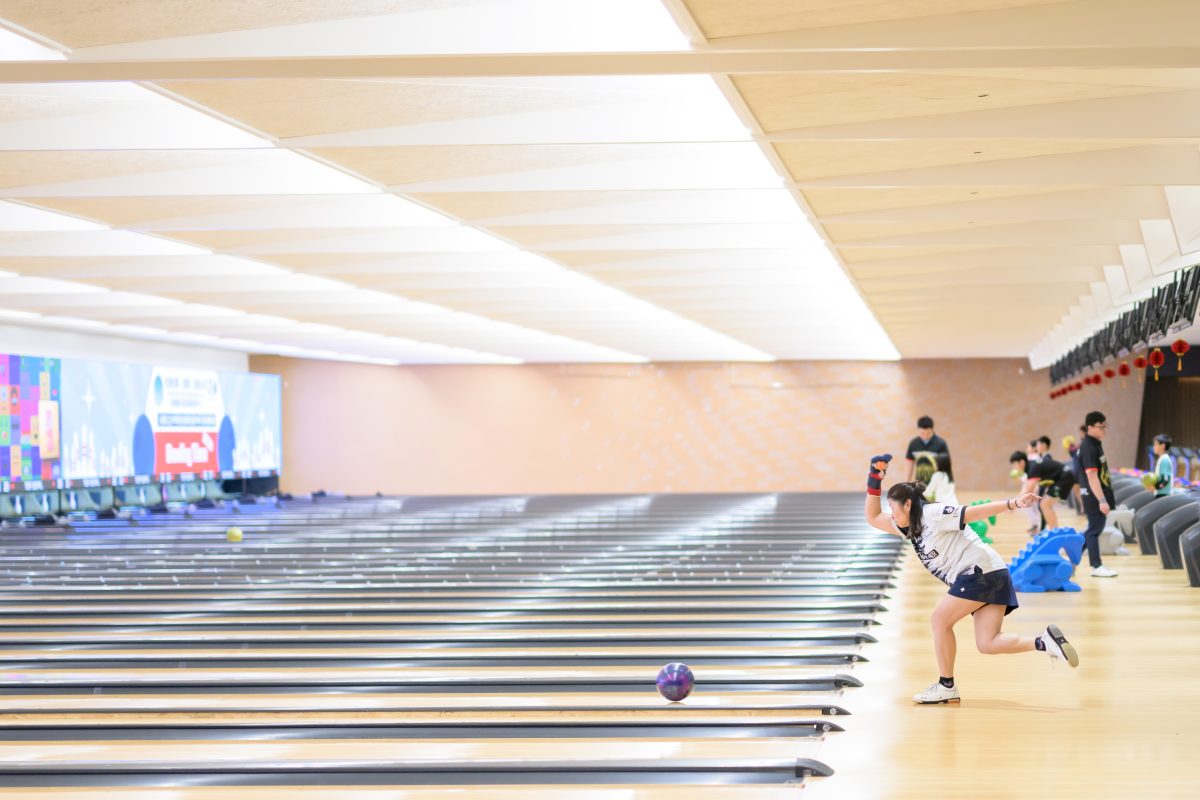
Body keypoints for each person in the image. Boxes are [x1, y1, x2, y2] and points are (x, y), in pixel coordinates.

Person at [864, 454, 1078, 704]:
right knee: (988, 643)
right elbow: (873, 517)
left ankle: (946, 686)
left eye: (893, 508)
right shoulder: (907, 526)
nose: (891, 514)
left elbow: (972, 512)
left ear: (908, 505)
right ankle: (1044, 642)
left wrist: (1013, 503)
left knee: (939, 620)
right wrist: (875, 478)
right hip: (993, 573)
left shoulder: (933, 513)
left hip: (980, 572)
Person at [1078, 411, 1118, 578]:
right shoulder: (1088, 447)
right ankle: (1096, 565)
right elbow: (1092, 476)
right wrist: (1101, 500)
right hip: (1093, 495)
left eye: (1105, 426)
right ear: (1090, 428)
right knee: (1094, 530)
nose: (1104, 430)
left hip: (1096, 494)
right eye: (1101, 427)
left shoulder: (1095, 444)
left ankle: (1072, 559)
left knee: (1093, 529)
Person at [1009, 450, 1076, 531]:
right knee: (1044, 504)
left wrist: (1013, 504)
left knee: (1045, 504)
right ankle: (1054, 530)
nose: (1015, 468)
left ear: (1022, 462)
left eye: (1015, 464)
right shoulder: (1031, 466)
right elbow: (1029, 488)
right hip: (1061, 478)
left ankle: (1055, 531)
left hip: (1065, 477)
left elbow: (1029, 490)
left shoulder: (1032, 468)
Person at [905, 416, 950, 482]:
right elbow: (909, 462)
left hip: (936, 482)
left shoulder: (941, 443)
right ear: (918, 430)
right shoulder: (913, 443)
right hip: (919, 481)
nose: (925, 436)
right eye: (922, 433)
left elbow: (945, 466)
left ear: (932, 430)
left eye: (928, 433)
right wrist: (907, 481)